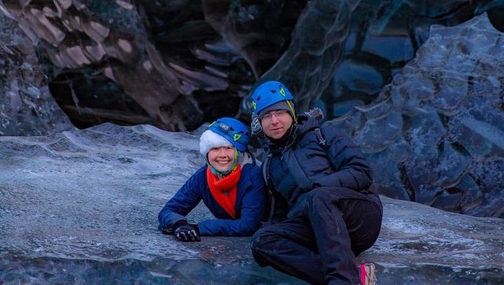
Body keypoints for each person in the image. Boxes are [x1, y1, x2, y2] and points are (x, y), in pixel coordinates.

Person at [249, 80, 382, 285]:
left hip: (359, 219)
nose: (274, 121)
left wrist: (320, 188)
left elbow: (362, 172)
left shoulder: (324, 135)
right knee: (262, 241)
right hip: (320, 232)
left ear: (292, 112)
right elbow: (279, 217)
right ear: (259, 123)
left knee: (318, 197)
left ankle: (342, 281)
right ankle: (353, 276)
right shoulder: (269, 167)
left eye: (280, 113)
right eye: (266, 116)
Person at [158, 117, 267, 241]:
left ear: (239, 152)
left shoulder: (253, 176)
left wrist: (198, 228)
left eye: (228, 148)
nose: (222, 155)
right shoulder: (203, 176)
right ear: (207, 152)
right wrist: (179, 224)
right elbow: (169, 210)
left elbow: (247, 225)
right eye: (215, 148)